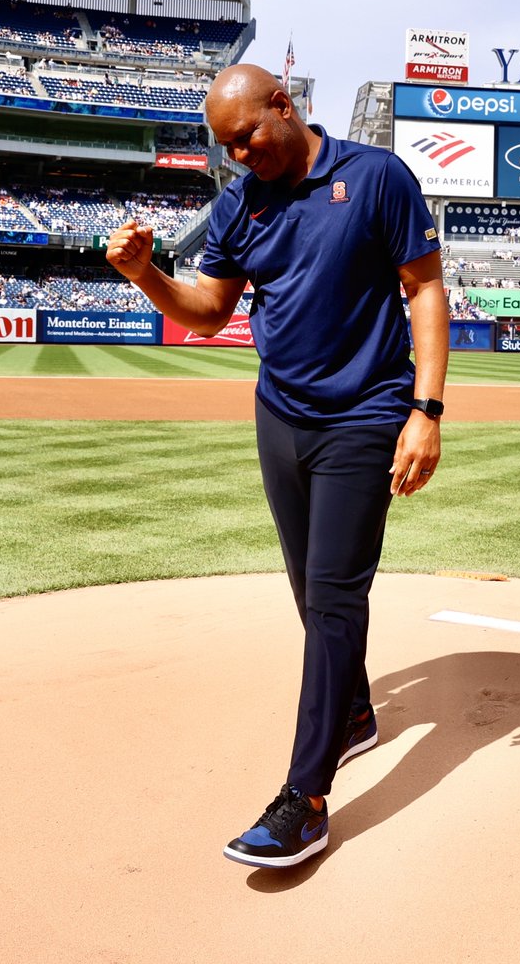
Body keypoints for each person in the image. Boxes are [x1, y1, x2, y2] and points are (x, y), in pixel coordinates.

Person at [106, 64, 449, 870]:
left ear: (284, 107)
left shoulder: (374, 178)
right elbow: (209, 311)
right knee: (307, 586)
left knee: (334, 596)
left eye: (247, 138)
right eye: (225, 149)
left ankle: (306, 798)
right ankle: (355, 712)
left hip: (365, 416)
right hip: (279, 418)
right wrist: (146, 275)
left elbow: (425, 288)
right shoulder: (238, 204)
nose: (238, 158)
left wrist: (426, 413)